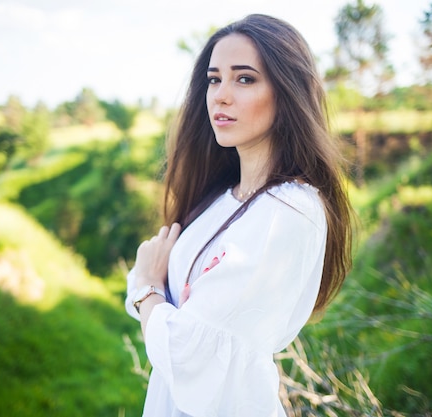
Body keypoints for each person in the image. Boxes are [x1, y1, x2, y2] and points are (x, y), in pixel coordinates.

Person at [125, 13, 353, 416]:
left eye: (244, 79)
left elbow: (185, 350)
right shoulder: (221, 198)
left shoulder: (288, 211)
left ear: (287, 92)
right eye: (214, 79)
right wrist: (155, 297)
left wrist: (147, 288)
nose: (220, 96)